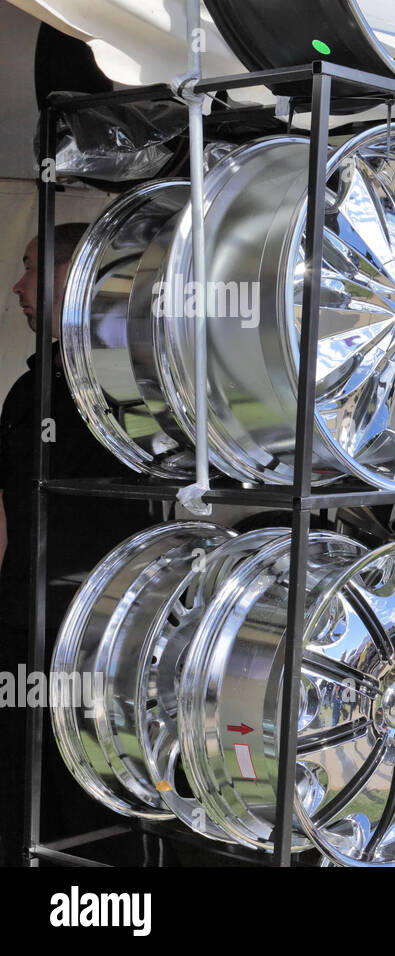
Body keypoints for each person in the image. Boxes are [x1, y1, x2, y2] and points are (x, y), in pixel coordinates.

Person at [1, 223, 153, 865]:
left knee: (94, 796)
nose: (18, 287)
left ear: (72, 277)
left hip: (99, 636)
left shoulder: (129, 385)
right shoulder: (26, 390)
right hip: (24, 627)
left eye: (33, 269)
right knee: (21, 788)